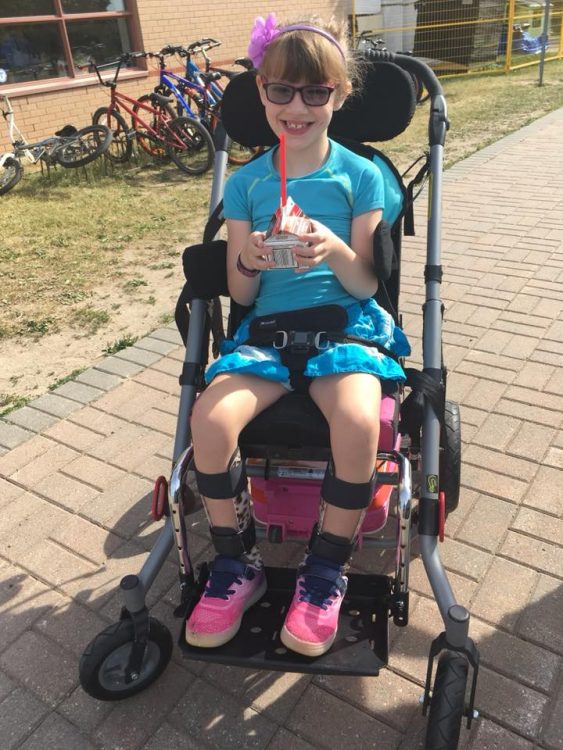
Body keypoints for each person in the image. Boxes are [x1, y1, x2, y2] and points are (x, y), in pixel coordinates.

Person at [186, 12, 410, 657]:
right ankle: (235, 563)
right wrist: (251, 259)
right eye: (281, 90)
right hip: (267, 333)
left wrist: (333, 244)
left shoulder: (360, 176)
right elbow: (242, 293)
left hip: (344, 329)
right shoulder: (248, 184)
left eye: (316, 92)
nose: (297, 106)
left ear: (340, 96)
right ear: (261, 94)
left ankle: (324, 569)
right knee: (209, 420)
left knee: (360, 422)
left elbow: (367, 283)